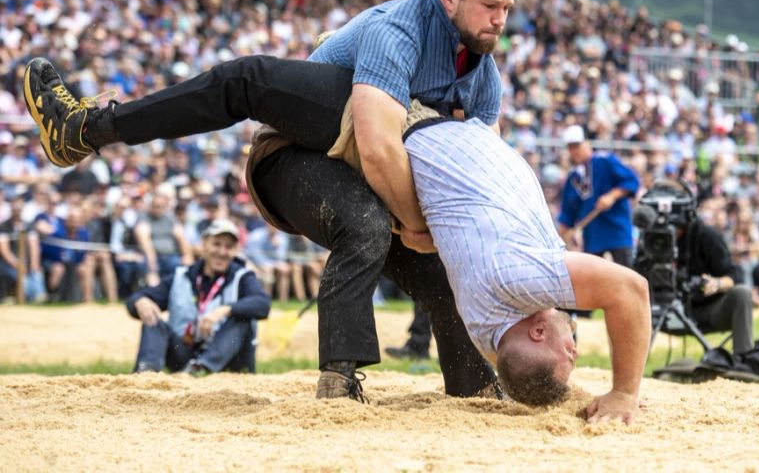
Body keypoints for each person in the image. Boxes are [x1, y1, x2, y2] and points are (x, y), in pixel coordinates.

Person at [24, 0, 517, 403]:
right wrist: (415, 224)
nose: (500, 21)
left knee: (439, 268)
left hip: (370, 179)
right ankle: (85, 129)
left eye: (507, 9)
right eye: (490, 6)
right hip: (296, 153)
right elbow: (377, 147)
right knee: (249, 79)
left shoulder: (484, 78)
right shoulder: (399, 29)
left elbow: (479, 175)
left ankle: (475, 393)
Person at [25, 61, 650, 424]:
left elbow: (618, 296)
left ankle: (88, 128)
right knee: (385, 233)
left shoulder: (508, 296)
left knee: (400, 246)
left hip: (355, 151)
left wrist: (605, 391)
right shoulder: (406, 54)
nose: (576, 335)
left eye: (572, 345)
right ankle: (356, 378)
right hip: (325, 153)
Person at [126, 218, 272, 375]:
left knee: (242, 318)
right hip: (184, 354)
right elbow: (135, 299)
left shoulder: (243, 276)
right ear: (204, 244)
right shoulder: (181, 276)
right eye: (216, 244)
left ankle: (204, 368)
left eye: (229, 247)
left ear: (235, 250)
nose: (222, 252)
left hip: (228, 360)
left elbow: (263, 304)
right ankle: (146, 372)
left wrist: (225, 310)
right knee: (151, 316)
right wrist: (139, 301)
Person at [640, 180, 755, 355]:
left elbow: (735, 274)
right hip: (655, 310)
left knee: (742, 293)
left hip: (703, 310)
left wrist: (716, 283)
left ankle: (744, 362)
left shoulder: (706, 235)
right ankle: (626, 375)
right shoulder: (649, 239)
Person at [557, 124, 639, 267]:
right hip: (592, 235)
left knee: (627, 273)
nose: (574, 151)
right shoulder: (573, 177)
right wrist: (560, 239)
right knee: (593, 279)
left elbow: (631, 180)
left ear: (587, 143)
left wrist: (612, 196)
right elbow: (567, 214)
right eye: (570, 147)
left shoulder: (605, 160)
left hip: (616, 229)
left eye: (577, 145)